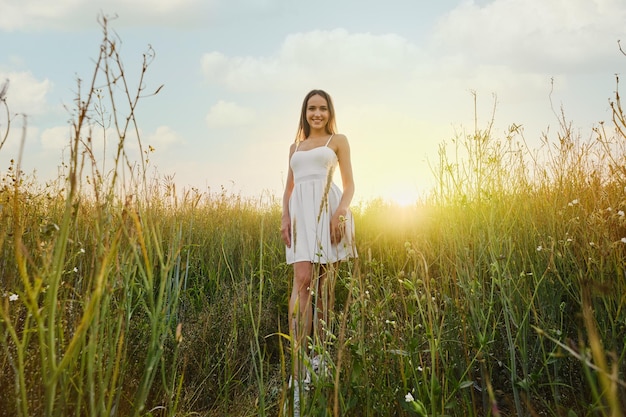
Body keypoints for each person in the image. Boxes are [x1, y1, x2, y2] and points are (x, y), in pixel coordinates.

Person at [280, 89, 357, 414]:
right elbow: (289, 188)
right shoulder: (294, 147)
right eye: (312, 108)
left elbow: (350, 184)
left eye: (323, 108)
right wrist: (285, 217)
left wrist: (340, 212)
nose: (317, 114)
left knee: (325, 286)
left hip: (329, 214)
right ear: (305, 112)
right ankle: (299, 365)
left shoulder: (337, 140)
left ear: (329, 112)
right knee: (302, 279)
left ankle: (321, 358)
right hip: (301, 215)